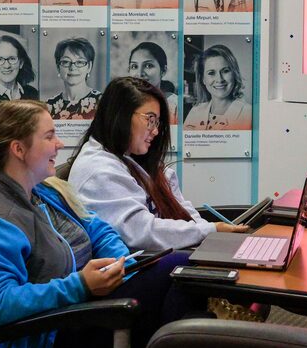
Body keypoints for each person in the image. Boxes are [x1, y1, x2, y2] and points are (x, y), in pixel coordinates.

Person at [0, 99, 196, 348]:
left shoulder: (45, 192)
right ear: (19, 149)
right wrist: (80, 284)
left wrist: (120, 264)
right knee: (177, 272)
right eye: (49, 136)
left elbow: (98, 230)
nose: (59, 143)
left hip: (80, 320)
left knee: (185, 289)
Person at [70, 76, 249, 250]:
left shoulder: (129, 158)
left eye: (157, 122)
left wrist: (208, 231)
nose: (155, 131)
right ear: (120, 115)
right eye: (150, 120)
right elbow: (141, 232)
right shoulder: (99, 170)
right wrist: (209, 230)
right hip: (134, 270)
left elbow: (183, 211)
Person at [184, 44, 253, 131]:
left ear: (234, 74)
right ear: (203, 79)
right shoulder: (195, 110)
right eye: (211, 73)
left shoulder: (250, 114)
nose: (219, 79)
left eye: (225, 71)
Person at [45, 38, 101, 120]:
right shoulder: (49, 105)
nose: (73, 67)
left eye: (80, 62)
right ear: (58, 67)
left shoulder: (102, 101)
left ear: (89, 67)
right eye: (66, 62)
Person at [127, 42, 179, 117]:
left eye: (148, 65)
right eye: (134, 66)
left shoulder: (175, 105)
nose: (139, 73)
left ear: (163, 71)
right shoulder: (122, 103)